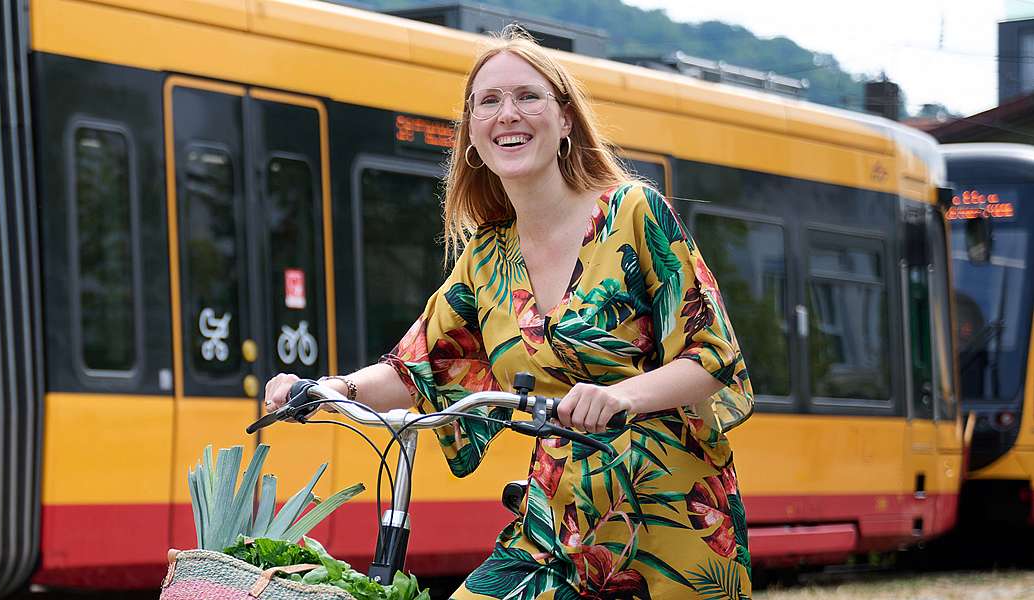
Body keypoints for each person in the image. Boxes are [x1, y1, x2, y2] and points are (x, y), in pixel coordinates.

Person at [264, 28, 754, 599]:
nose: (508, 114)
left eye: (528, 96)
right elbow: (415, 367)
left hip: (673, 523)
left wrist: (623, 396)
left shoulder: (633, 214)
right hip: (558, 524)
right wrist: (328, 387)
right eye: (489, 102)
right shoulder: (487, 258)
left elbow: (714, 357)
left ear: (565, 119)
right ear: (471, 132)